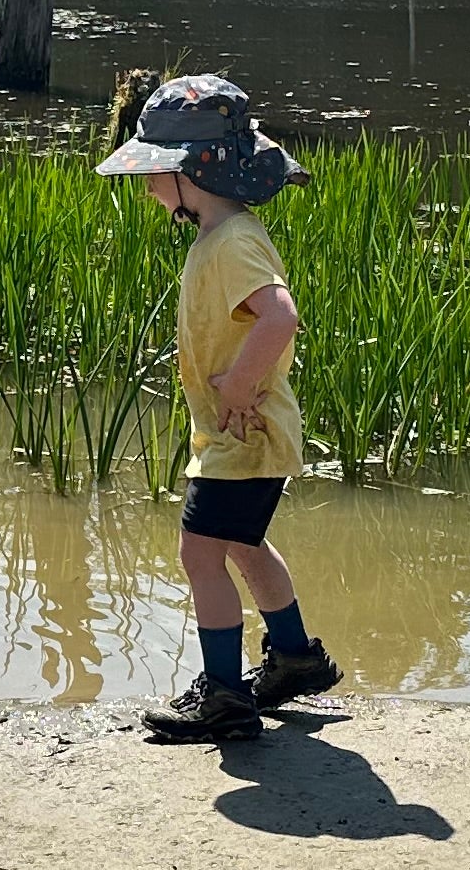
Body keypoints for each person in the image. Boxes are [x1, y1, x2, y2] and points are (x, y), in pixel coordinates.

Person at [97, 74, 342, 745]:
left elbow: (280, 316)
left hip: (244, 430)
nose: (147, 187)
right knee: (240, 543)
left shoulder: (231, 242)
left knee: (199, 555)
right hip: (244, 435)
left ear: (192, 174)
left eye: (154, 172)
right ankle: (293, 658)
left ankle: (224, 696)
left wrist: (236, 385)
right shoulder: (223, 235)